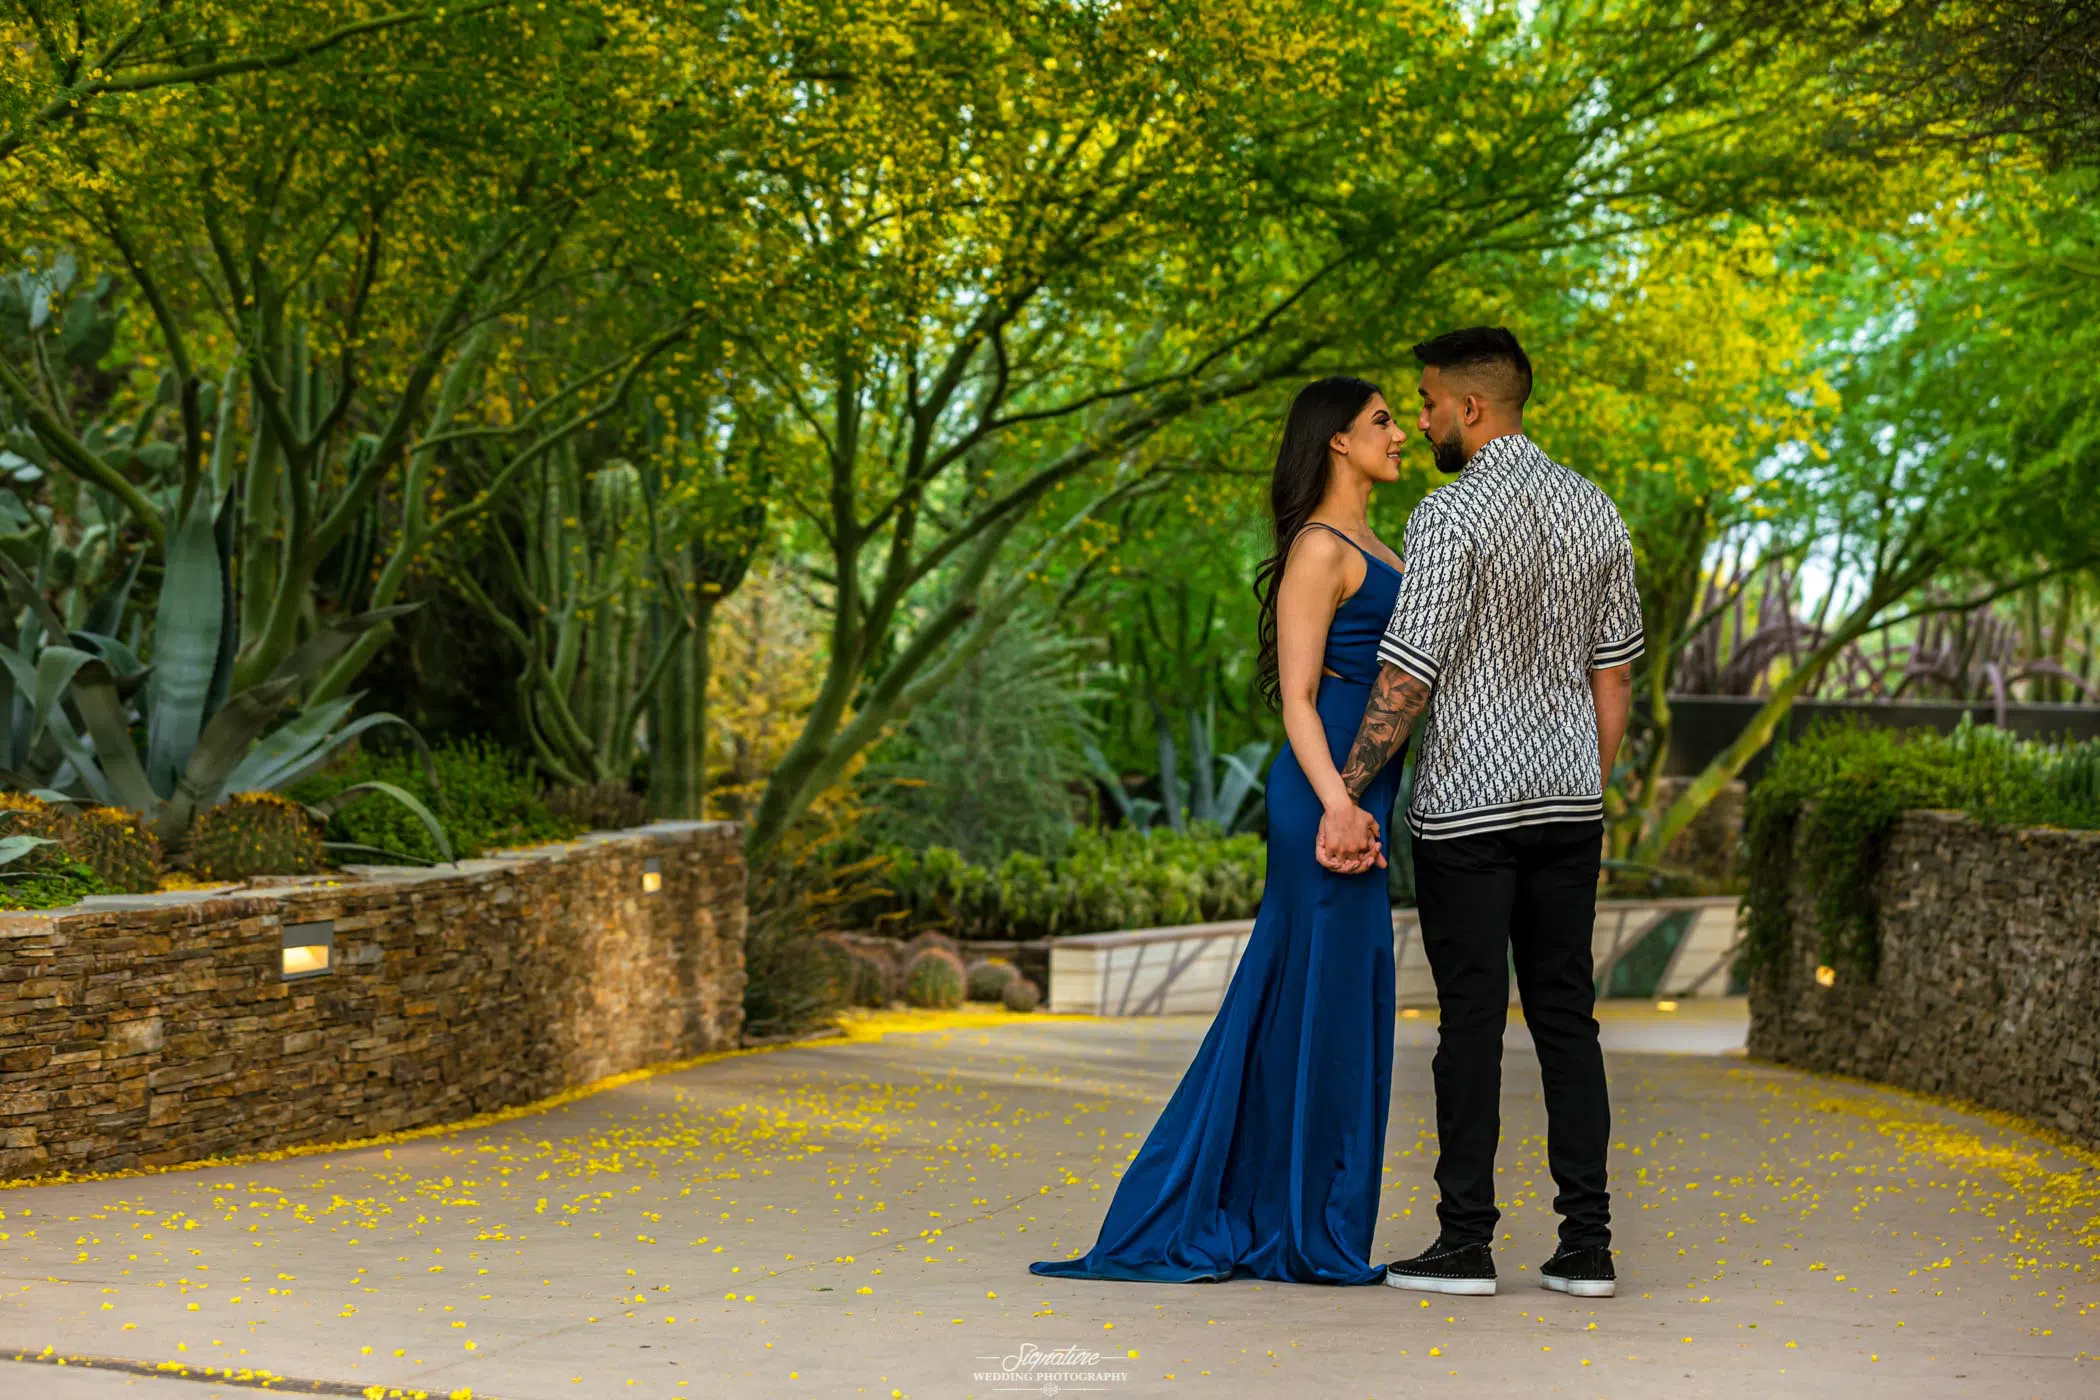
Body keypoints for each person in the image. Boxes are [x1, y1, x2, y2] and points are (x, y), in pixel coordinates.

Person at [1030, 376, 1410, 1285]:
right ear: (1336, 442)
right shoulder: (1319, 549)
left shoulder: (1383, 545)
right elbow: (1299, 699)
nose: (1400, 435)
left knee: (1337, 1009)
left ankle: (1305, 1219)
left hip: (1363, 802)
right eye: (1383, 422)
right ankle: (1288, 1227)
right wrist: (1338, 804)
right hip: (1324, 805)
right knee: (1307, 1004)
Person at [1318, 327, 1639, 1300]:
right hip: (1567, 806)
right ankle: (1587, 1244)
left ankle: (1466, 1242)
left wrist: (1346, 782)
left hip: (1467, 812)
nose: (1417, 420)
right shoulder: (1597, 510)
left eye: (1423, 402)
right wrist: (1582, 776)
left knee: (1471, 1022)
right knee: (1565, 1018)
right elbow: (1613, 671)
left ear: (1471, 408)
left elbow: (1407, 671)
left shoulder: (1446, 517)